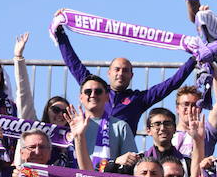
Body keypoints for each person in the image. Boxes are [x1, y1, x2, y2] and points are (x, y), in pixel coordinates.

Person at [53, 24, 195, 131]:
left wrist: (194, 60)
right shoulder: (96, 90)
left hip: (122, 158)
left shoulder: (138, 99)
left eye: (125, 71)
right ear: (109, 73)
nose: (120, 74)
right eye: (117, 69)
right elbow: (74, 64)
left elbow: (170, 84)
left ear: (131, 76)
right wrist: (61, 35)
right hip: (93, 153)